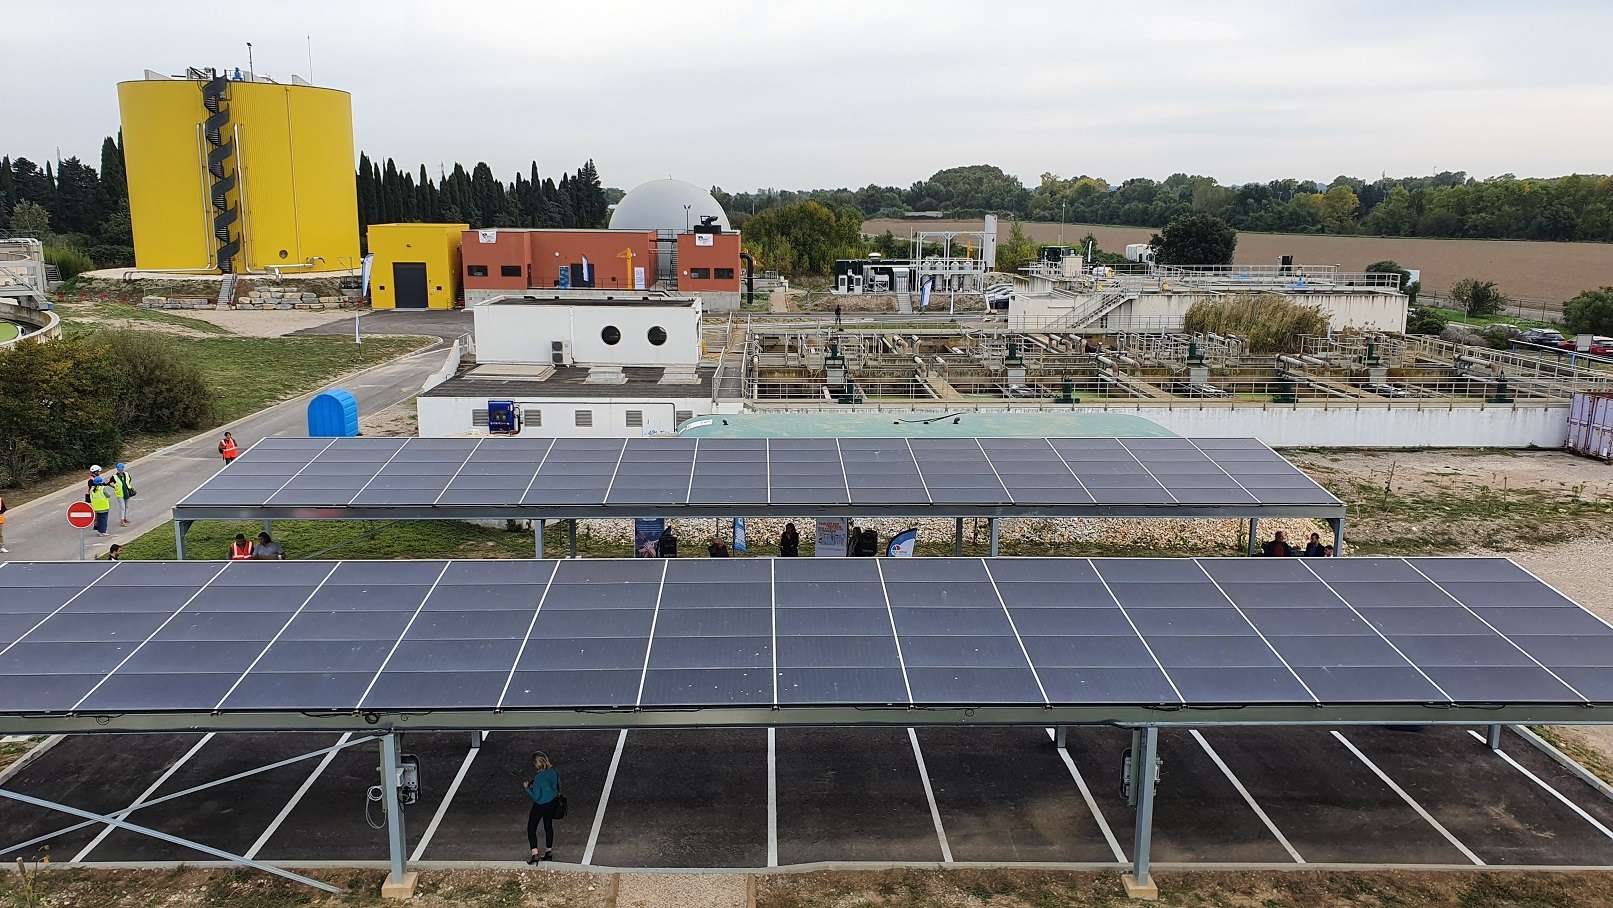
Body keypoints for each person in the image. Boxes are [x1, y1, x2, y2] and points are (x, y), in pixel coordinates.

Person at [522, 751, 561, 863]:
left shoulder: (538, 778)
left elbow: (537, 797)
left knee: (531, 827)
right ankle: (548, 852)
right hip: (552, 803)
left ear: (537, 764)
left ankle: (535, 854)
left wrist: (527, 788)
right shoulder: (553, 772)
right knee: (548, 825)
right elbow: (557, 786)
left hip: (540, 806)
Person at [110, 463, 135, 528]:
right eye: (119, 469)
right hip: (120, 494)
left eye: (122, 469)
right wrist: (115, 487)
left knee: (126, 506)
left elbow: (129, 481)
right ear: (117, 469)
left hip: (127, 493)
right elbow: (109, 483)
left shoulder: (126, 474)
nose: (121, 470)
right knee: (122, 508)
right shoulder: (114, 476)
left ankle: (125, 518)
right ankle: (122, 521)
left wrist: (128, 487)